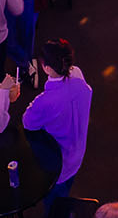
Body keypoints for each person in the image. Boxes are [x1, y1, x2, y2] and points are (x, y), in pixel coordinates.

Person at [22, 38, 93, 196]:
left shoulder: (45, 101)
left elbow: (27, 122)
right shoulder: (78, 76)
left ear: (46, 68)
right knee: (67, 189)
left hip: (60, 162)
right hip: (78, 152)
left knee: (55, 204)